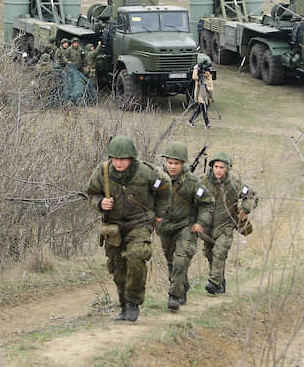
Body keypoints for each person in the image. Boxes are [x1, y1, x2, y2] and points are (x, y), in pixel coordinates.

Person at [86, 136, 171, 322]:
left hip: (139, 223)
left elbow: (165, 187)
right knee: (117, 267)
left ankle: (133, 303)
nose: (118, 162)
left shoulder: (147, 173)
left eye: (123, 159)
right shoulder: (103, 172)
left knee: (137, 256)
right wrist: (100, 203)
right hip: (114, 226)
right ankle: (124, 306)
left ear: (131, 158)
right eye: (115, 158)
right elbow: (91, 194)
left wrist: (159, 214)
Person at [157, 142, 214, 311]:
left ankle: (174, 295)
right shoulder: (158, 179)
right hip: (165, 226)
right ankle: (182, 286)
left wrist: (201, 223)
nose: (172, 166)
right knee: (171, 262)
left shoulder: (192, 182)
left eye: (176, 163)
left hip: (186, 226)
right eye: (170, 162)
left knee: (181, 260)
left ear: (183, 164)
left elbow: (208, 203)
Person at [201, 151, 256, 295]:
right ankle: (221, 280)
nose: (218, 170)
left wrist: (245, 209)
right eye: (216, 167)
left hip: (225, 223)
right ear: (212, 167)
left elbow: (251, 195)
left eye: (222, 167)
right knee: (209, 253)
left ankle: (213, 283)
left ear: (227, 168)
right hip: (208, 225)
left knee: (220, 251)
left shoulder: (234, 182)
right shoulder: (203, 181)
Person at [188, 63, 213, 129]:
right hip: (200, 96)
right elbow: (194, 77)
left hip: (207, 97)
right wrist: (196, 68)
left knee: (199, 110)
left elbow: (211, 87)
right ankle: (207, 124)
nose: (207, 74)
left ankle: (191, 120)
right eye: (206, 72)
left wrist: (208, 88)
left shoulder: (209, 77)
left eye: (208, 72)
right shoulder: (199, 78)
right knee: (204, 110)